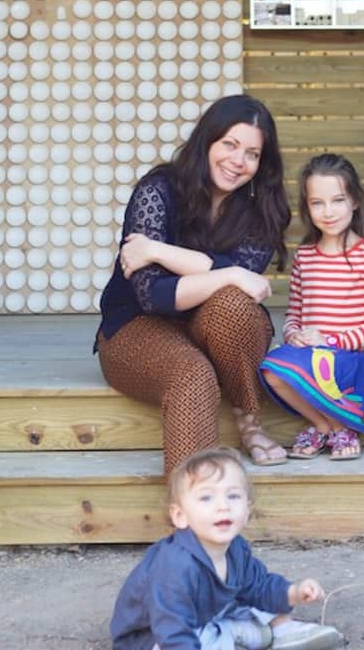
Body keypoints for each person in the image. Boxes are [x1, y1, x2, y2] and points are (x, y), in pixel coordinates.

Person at [95, 95, 291, 472]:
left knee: (232, 303)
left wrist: (159, 252)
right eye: (229, 145)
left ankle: (248, 422)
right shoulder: (158, 191)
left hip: (215, 331)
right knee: (194, 374)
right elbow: (154, 297)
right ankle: (193, 517)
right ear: (207, 142)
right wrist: (230, 272)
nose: (238, 160)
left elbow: (241, 286)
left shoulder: (265, 208)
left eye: (252, 153)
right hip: (137, 328)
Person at [110, 447, 342, 650]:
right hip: (154, 636)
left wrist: (294, 592)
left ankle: (283, 629)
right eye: (206, 498)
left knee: (249, 595)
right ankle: (231, 633)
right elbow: (171, 626)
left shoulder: (236, 549)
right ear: (180, 516)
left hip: (206, 614)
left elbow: (258, 587)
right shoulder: (175, 565)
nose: (223, 506)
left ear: (247, 510)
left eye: (233, 496)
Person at [260, 154, 364, 461]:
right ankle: (327, 426)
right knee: (272, 369)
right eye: (317, 203)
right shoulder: (305, 256)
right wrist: (294, 335)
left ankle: (335, 426)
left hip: (354, 359)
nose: (328, 212)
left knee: (322, 362)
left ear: (354, 201)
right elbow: (294, 313)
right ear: (307, 207)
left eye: (338, 200)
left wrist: (331, 341)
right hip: (315, 355)